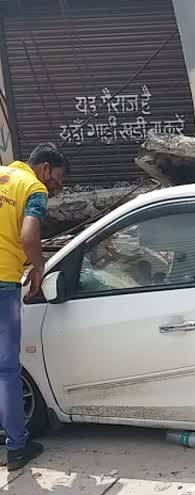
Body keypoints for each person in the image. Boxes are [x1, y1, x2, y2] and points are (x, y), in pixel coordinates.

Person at [0, 143, 68, 471]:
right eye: (57, 176)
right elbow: (29, 235)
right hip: (2, 282)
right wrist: (38, 268)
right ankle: (17, 446)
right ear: (44, 167)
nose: (57, 185)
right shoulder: (32, 188)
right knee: (7, 369)